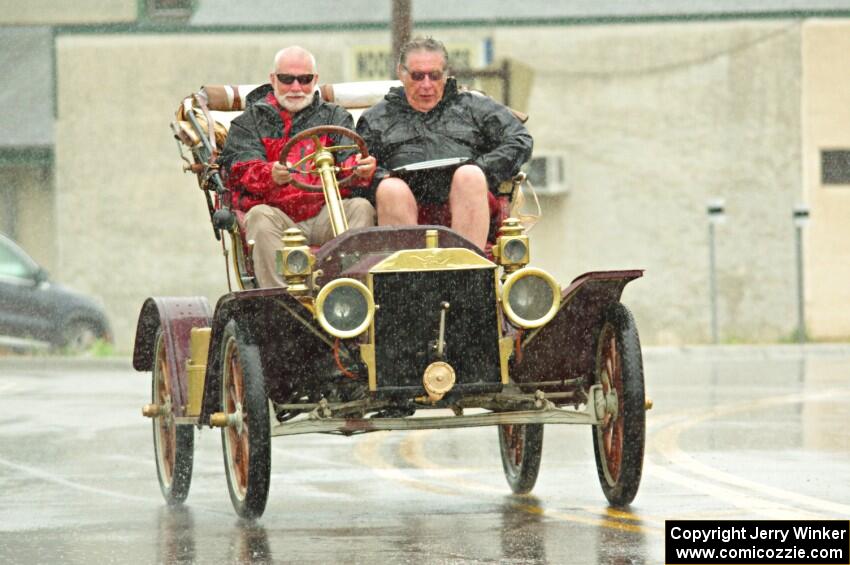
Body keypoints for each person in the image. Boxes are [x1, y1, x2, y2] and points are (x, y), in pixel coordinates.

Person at [219, 46, 377, 288]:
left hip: (324, 212)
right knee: (259, 217)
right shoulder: (249, 123)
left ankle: (346, 292)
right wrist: (270, 174)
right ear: (273, 80)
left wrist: (359, 168)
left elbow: (348, 157)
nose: (295, 88)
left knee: (360, 208)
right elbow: (239, 170)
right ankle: (280, 300)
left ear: (315, 80)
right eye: (287, 79)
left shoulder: (335, 117)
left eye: (304, 80)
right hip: (278, 217)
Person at [356, 37, 533, 249]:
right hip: (403, 199)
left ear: (446, 74)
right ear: (401, 73)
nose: (426, 85)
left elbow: (520, 140)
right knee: (389, 188)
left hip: (467, 195)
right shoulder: (376, 118)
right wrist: (375, 174)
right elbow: (358, 166)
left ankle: (467, 268)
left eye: (435, 75)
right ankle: (406, 274)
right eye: (417, 76)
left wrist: (480, 167)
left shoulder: (473, 107)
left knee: (469, 176)